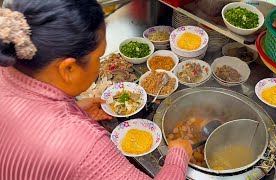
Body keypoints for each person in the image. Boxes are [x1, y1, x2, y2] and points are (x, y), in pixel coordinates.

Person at [0, 0, 192, 179]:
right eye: (99, 57)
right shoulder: (84, 146)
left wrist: (75, 110)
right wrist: (178, 154)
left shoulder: (6, 66)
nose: (100, 64)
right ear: (68, 69)